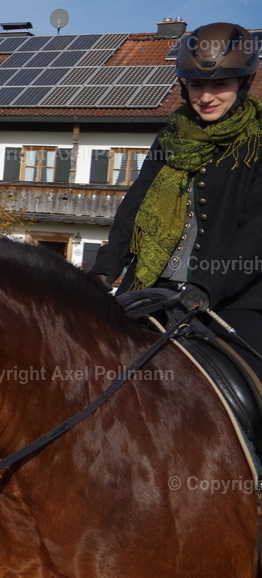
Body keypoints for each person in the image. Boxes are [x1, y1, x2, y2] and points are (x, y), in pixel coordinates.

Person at [92, 22, 262, 356]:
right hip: (153, 287)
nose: (206, 97)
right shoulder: (169, 138)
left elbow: (257, 230)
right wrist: (104, 270)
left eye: (220, 85)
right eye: (197, 85)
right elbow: (134, 207)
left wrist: (208, 285)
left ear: (243, 83)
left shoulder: (257, 143)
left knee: (252, 377)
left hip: (233, 297)